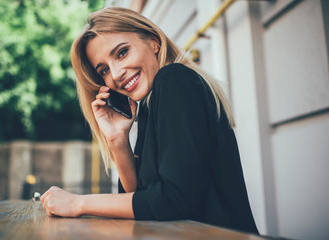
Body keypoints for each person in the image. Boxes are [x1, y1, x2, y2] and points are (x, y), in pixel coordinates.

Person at [40, 7, 259, 234]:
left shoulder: (173, 79)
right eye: (104, 69)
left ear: (153, 42)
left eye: (122, 53)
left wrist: (79, 203)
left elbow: (174, 201)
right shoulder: (149, 106)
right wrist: (117, 140)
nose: (115, 74)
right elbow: (142, 206)